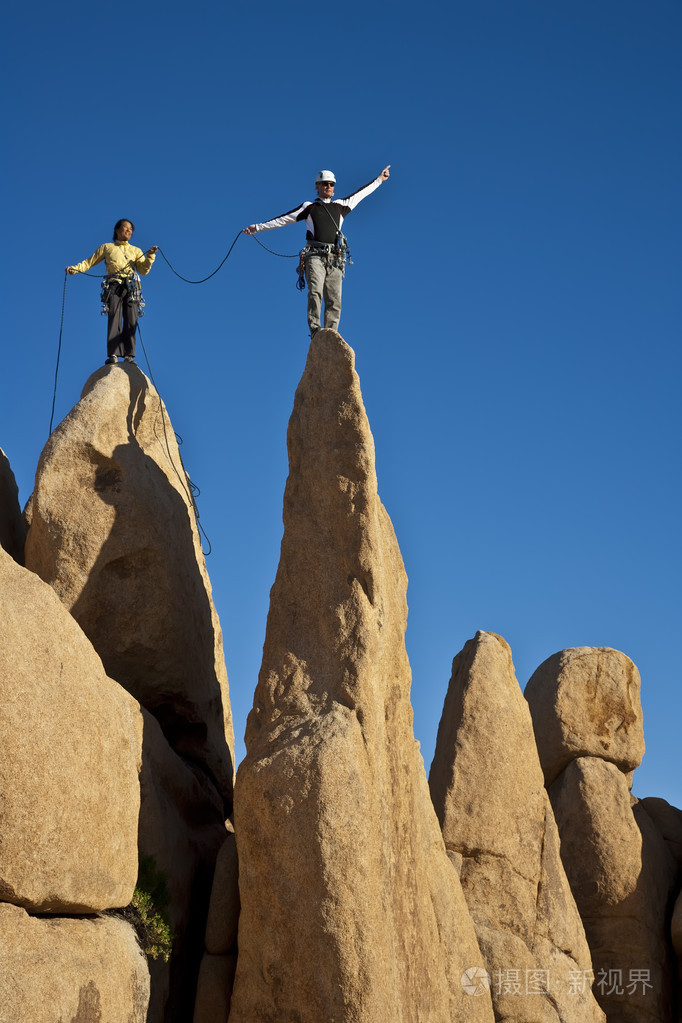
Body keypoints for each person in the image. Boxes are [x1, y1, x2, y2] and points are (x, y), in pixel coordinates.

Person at [244, 166, 390, 337]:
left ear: (334, 188)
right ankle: (315, 331)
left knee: (334, 298)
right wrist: (258, 228)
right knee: (315, 292)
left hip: (335, 258)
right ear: (317, 186)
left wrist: (380, 179)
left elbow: (361, 193)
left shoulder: (341, 206)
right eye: (324, 184)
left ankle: (330, 334)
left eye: (331, 184)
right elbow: (283, 219)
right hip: (315, 256)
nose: (328, 187)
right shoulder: (309, 207)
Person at [66, 220, 158, 365]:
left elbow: (143, 270)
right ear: (117, 230)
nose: (128, 231)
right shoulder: (107, 247)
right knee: (114, 317)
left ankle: (129, 356)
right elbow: (90, 262)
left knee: (131, 319)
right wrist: (75, 269)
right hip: (113, 285)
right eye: (125, 228)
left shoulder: (136, 251)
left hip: (130, 287)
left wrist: (151, 256)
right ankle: (113, 354)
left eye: (130, 230)